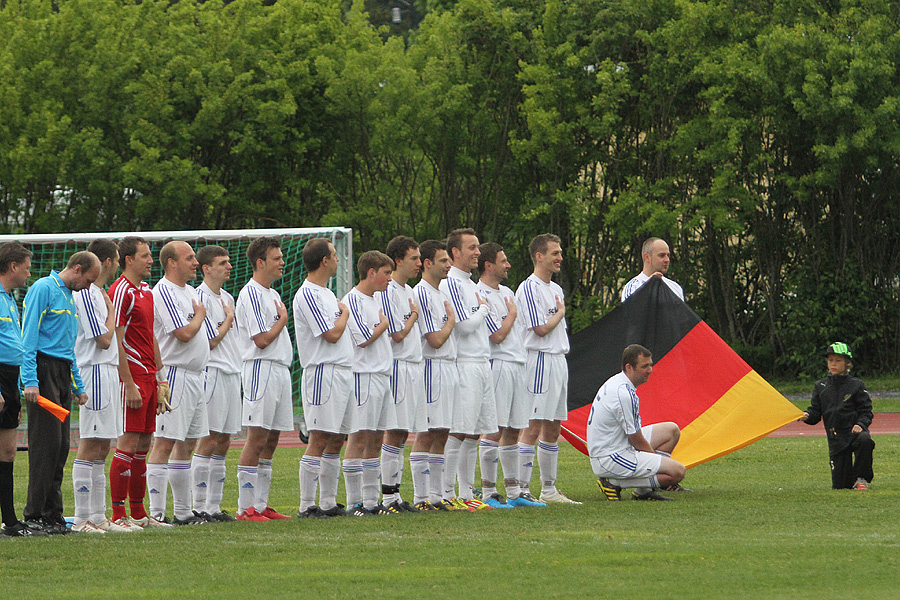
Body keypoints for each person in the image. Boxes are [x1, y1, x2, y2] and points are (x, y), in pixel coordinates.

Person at [21, 251, 99, 534]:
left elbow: (68, 348)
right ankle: (34, 515)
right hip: (43, 372)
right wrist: (30, 379)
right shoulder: (43, 288)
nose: (89, 287)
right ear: (77, 269)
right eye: (88, 280)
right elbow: (28, 336)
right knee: (45, 445)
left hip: (62, 373)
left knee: (61, 447)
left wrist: (77, 384)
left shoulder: (70, 296)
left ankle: (53, 514)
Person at [71, 239, 133, 533]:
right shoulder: (86, 293)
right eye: (118, 259)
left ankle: (98, 516)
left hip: (107, 371)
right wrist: (111, 311)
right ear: (107, 261)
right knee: (89, 444)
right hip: (93, 370)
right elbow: (105, 338)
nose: (120, 264)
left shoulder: (99, 293)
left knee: (103, 446)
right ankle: (82, 518)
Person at [146, 241, 211, 526]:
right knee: (165, 441)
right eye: (190, 258)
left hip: (197, 375)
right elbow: (183, 333)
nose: (195, 263)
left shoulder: (191, 292)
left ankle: (184, 511)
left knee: (188, 442)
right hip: (175, 373)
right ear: (172, 263)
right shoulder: (163, 291)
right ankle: (158, 511)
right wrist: (199, 316)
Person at [108, 237, 170, 529]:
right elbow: (116, 341)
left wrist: (161, 378)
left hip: (149, 376)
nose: (150, 260)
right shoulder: (121, 291)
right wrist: (128, 382)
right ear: (128, 259)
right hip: (131, 377)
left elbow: (151, 336)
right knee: (128, 442)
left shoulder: (146, 290)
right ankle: (119, 515)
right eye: (145, 255)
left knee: (144, 443)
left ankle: (139, 513)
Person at [476, 243, 543, 508]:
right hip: (498, 364)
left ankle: (514, 491)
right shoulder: (479, 293)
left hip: (518, 363)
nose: (508, 265)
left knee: (515, 427)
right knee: (495, 428)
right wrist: (512, 314)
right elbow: (497, 335)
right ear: (488, 265)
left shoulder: (507, 292)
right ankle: (488, 492)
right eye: (503, 261)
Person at [515, 234, 580, 504]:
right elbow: (540, 329)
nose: (560, 258)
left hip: (558, 360)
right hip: (539, 359)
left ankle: (549, 489)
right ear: (539, 256)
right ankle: (520, 489)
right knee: (532, 425)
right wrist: (560, 314)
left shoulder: (555, 289)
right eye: (554, 253)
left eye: (560, 252)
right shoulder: (529, 288)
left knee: (554, 426)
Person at [292, 238, 353, 518]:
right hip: (322, 373)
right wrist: (345, 315)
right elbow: (331, 333)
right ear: (324, 261)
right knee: (318, 438)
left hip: (341, 372)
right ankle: (307, 504)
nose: (338, 260)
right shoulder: (308, 294)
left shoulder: (328, 294)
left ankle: (328, 502)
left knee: (337, 438)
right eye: (333, 255)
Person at [234, 237, 293, 521]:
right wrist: (282, 320)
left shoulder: (271, 294)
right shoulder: (252, 293)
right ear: (260, 262)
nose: (282, 262)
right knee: (256, 437)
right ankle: (246, 508)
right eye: (276, 258)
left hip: (279, 369)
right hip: (261, 368)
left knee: (271, 439)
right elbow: (261, 340)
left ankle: (261, 505)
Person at [439, 229, 495, 511]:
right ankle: (447, 493)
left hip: (482, 363)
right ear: (455, 253)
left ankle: (466, 492)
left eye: (478, 247)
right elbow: (463, 326)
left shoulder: (472, 284)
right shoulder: (451, 283)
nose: (477, 252)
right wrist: (483, 310)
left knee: (475, 432)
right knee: (459, 430)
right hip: (465, 364)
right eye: (471, 247)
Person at [590, 344, 687, 501]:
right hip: (610, 456)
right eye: (644, 366)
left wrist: (654, 461)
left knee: (671, 430)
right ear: (629, 367)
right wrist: (656, 461)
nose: (650, 370)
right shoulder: (623, 394)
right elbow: (635, 438)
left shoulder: (619, 382)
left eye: (650, 365)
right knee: (677, 472)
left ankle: (643, 491)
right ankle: (613, 482)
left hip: (616, 445)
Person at [341, 251, 394, 516]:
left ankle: (372, 502)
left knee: (376, 437)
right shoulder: (353, 300)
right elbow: (363, 337)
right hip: (363, 376)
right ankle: (354, 503)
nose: (389, 279)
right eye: (386, 273)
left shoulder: (375, 300)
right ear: (371, 273)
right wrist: (384, 324)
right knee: (359, 436)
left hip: (381, 375)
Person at [191, 245, 240, 522]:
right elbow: (209, 340)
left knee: (224, 438)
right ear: (206, 268)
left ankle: (213, 505)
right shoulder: (200, 297)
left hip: (232, 371)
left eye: (228, 262)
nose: (228, 267)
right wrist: (229, 318)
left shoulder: (228, 296)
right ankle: (198, 505)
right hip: (213, 372)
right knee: (209, 438)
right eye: (222, 263)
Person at [376, 236, 423, 513]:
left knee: (403, 431)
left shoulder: (409, 291)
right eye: (413, 258)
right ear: (398, 261)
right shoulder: (389, 290)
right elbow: (396, 334)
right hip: (398, 366)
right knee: (393, 431)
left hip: (412, 366)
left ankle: (395, 493)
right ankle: (388, 496)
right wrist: (413, 317)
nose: (418, 263)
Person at [0, 243, 44, 536]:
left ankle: (11, 522)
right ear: (13, 266)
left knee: (8, 452)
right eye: (27, 266)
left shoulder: (9, 298)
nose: (29, 272)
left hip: (9, 378)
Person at [413, 240, 460, 511]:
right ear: (427, 263)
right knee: (428, 430)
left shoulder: (441, 293)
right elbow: (435, 339)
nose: (449, 265)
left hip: (448, 367)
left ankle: (436, 495)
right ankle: (421, 497)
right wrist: (451, 322)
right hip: (432, 367)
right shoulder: (421, 293)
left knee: (443, 430)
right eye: (443, 261)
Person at [800, 342, 874, 490]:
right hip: (836, 440)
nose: (833, 364)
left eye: (838, 360)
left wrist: (860, 425)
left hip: (854, 433)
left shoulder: (856, 385)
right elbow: (815, 413)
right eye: (830, 360)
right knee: (841, 487)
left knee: (865, 440)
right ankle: (848, 480)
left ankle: (861, 478)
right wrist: (806, 416)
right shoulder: (820, 386)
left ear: (847, 363)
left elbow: (866, 411)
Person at [621, 237, 684, 302]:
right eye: (661, 255)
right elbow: (631, 311)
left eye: (668, 255)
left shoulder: (675, 288)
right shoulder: (633, 287)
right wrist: (649, 286)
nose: (667, 260)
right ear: (647, 257)